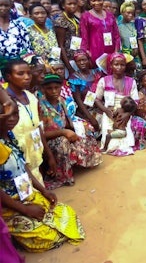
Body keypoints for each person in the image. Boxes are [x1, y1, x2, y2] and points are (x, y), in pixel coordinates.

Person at [0, 101, 85, 252]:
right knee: (47, 237)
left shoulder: (9, 136)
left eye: (15, 113)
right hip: (9, 204)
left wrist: (43, 191)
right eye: (5, 115)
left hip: (26, 194)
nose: (12, 118)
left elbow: (24, 167)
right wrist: (25, 210)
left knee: (64, 212)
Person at [38, 73, 102, 189]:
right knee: (62, 143)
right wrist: (63, 132)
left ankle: (72, 162)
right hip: (46, 142)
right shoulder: (40, 105)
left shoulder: (60, 100)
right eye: (49, 88)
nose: (53, 91)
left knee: (86, 136)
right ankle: (62, 176)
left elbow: (67, 121)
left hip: (63, 134)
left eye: (56, 88)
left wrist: (72, 132)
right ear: (43, 89)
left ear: (61, 87)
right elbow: (39, 134)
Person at [5, 60, 50, 186]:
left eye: (29, 73)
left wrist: (48, 154)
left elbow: (38, 127)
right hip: (16, 163)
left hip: (34, 155)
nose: (27, 77)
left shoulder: (31, 97)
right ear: (8, 76)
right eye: (20, 74)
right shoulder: (5, 102)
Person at [92, 53, 146, 156]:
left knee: (129, 135)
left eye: (122, 65)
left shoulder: (131, 81)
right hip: (109, 114)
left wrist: (127, 114)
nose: (119, 67)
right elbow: (97, 99)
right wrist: (106, 111)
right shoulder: (104, 81)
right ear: (111, 65)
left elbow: (135, 101)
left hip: (126, 113)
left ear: (125, 66)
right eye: (116, 64)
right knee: (112, 145)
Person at [80, 0, 119, 64]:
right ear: (89, 2)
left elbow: (116, 35)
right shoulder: (86, 16)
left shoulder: (110, 16)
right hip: (94, 52)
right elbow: (84, 36)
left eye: (99, 0)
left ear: (103, 0)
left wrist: (116, 51)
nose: (97, 3)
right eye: (93, 1)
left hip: (111, 51)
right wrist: (86, 51)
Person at [0, 0, 32, 65]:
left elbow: (28, 46)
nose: (3, 8)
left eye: (6, 5)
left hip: (20, 65)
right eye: (0, 5)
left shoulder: (19, 25)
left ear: (11, 7)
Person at [53, 0, 80, 73]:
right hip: (67, 59)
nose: (73, 6)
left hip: (75, 56)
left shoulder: (74, 18)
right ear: (63, 6)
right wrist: (69, 67)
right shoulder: (61, 20)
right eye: (69, 4)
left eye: (75, 4)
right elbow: (60, 45)